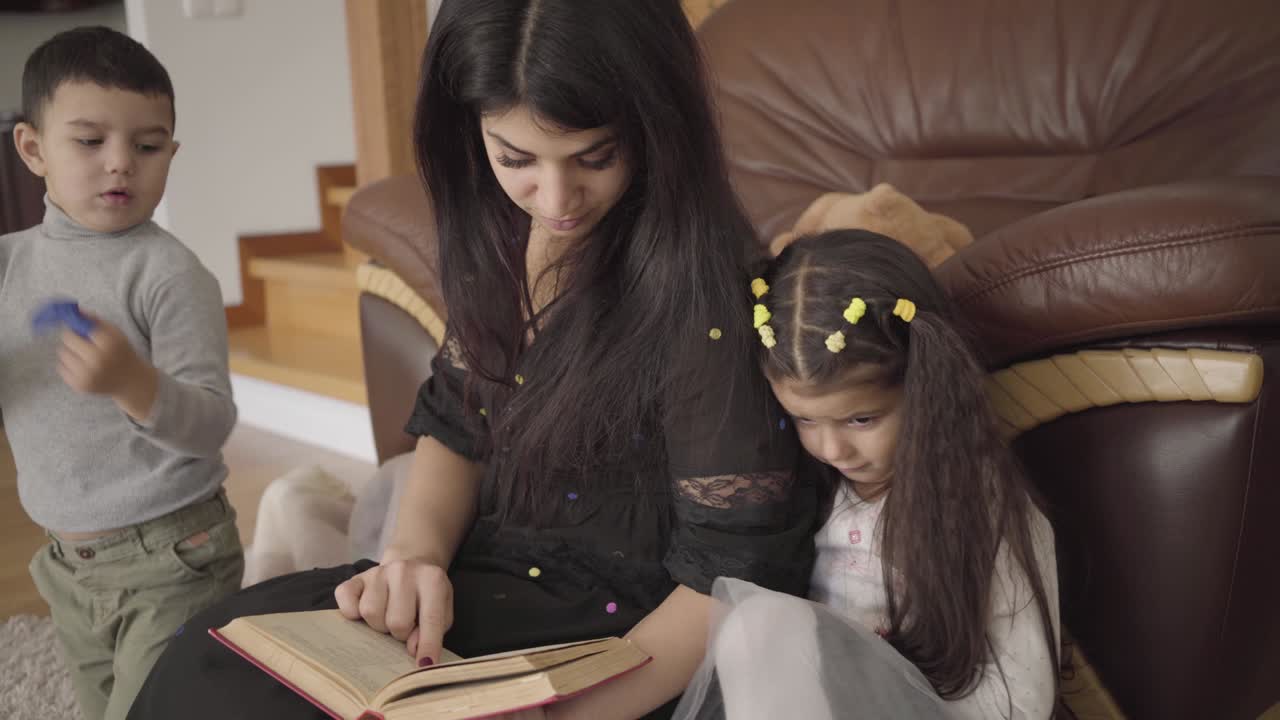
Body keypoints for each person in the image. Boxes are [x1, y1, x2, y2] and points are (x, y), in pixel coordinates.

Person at [127, 1, 815, 718]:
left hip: (622, 648)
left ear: (657, 126)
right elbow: (458, 422)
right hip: (482, 583)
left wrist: (557, 715)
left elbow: (730, 581)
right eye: (515, 158)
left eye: (595, 157)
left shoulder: (711, 298)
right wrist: (413, 560)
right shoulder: (505, 234)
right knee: (211, 658)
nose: (556, 199)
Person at [674, 230, 1061, 720]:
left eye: (861, 420)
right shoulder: (809, 489)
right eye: (804, 420)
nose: (831, 449)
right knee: (755, 622)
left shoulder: (984, 512)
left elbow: (1023, 700)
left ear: (927, 389)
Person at [1, 26, 242, 720]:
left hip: (174, 557)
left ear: (171, 153)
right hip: (66, 564)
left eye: (147, 146)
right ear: (32, 149)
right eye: (89, 141)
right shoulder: (9, 265)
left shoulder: (169, 276)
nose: (120, 165)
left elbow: (212, 423)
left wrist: (134, 384)